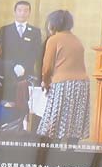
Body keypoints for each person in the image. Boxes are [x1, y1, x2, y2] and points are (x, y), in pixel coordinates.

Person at [37, 9, 89, 143]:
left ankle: (51, 153)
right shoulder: (76, 39)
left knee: (54, 120)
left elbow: (47, 67)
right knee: (75, 119)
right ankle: (71, 150)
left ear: (53, 24)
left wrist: (45, 82)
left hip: (62, 83)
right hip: (82, 85)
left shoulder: (54, 40)